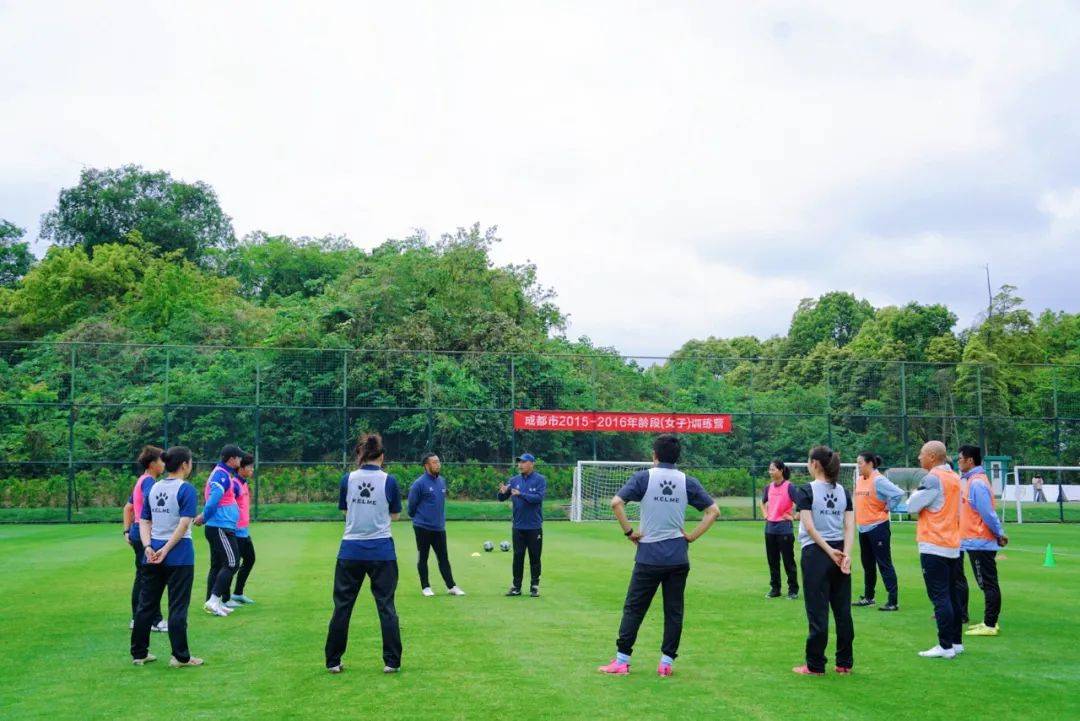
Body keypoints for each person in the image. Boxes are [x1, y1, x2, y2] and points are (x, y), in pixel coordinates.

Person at [598, 434, 720, 677]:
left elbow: (616, 503)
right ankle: (666, 663)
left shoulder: (644, 478)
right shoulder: (687, 481)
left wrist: (630, 532)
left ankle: (622, 660)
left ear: (654, 455)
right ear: (677, 457)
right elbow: (713, 511)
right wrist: (692, 536)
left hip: (649, 555)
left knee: (634, 608)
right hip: (677, 555)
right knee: (673, 610)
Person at [325, 433, 403, 674]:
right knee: (386, 606)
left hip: (351, 549)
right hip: (381, 551)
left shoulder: (347, 479)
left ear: (360, 455)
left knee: (342, 606)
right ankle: (391, 662)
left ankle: (333, 661)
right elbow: (396, 515)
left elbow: (344, 511)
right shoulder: (389, 481)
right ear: (382, 456)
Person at [130, 446, 204, 668]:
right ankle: (180, 657)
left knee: (146, 605)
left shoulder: (153, 488)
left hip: (152, 556)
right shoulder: (186, 489)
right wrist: (168, 548)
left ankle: (139, 653)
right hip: (179, 556)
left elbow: (144, 520)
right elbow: (184, 524)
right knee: (178, 606)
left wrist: (148, 546)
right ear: (184, 465)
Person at [791, 445, 855, 676]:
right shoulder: (844, 492)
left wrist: (829, 551)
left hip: (817, 554)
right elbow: (849, 526)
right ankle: (844, 663)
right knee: (842, 610)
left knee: (818, 611)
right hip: (840, 552)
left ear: (814, 464)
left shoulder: (806, 490)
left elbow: (809, 526)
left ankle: (815, 665)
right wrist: (845, 554)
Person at [907, 440, 964, 659]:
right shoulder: (955, 477)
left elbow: (912, 506)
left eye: (921, 454)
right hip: (952, 544)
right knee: (952, 595)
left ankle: (945, 646)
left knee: (940, 597)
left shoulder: (933, 478)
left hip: (934, 544)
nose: (919, 458)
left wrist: (913, 494)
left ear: (932, 456)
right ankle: (956, 642)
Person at [956, 445, 1007, 637]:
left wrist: (999, 533)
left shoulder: (976, 483)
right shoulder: (972, 481)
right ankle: (988, 621)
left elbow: (987, 513)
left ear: (970, 460)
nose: (958, 461)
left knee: (988, 583)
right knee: (985, 582)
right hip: (974, 541)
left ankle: (990, 624)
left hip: (981, 541)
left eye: (960, 458)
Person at [194, 444, 244, 617]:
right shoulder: (221, 476)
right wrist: (204, 517)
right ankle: (214, 600)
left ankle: (215, 602)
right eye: (238, 457)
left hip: (220, 526)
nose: (240, 460)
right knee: (232, 563)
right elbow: (213, 500)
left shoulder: (222, 474)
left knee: (218, 566)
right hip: (220, 527)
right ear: (231, 459)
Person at [852, 452, 906, 612]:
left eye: (860, 463)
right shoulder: (860, 480)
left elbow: (898, 493)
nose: (858, 466)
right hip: (863, 528)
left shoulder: (879, 480)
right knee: (867, 565)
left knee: (884, 564)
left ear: (870, 463)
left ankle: (893, 601)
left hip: (878, 528)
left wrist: (889, 507)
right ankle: (869, 597)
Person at [123, 445, 167, 633]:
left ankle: (137, 618)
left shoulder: (141, 480)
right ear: (152, 464)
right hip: (144, 535)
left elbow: (128, 507)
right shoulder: (149, 482)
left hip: (136, 532)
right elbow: (152, 508)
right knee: (151, 578)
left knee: (142, 577)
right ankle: (154, 620)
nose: (164, 464)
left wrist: (127, 531)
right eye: (161, 460)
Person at [408, 453, 465, 597]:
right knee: (423, 557)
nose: (438, 464)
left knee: (443, 558)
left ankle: (451, 586)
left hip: (439, 527)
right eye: (434, 462)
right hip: (422, 527)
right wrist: (422, 519)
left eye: (438, 462)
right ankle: (425, 587)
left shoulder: (442, 481)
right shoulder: (419, 484)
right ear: (426, 465)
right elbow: (411, 508)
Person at [497, 453, 546, 597]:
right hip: (518, 526)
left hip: (534, 526)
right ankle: (516, 587)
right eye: (519, 462)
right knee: (518, 557)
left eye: (523, 462)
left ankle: (534, 586)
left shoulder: (540, 480)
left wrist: (521, 494)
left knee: (534, 557)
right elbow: (502, 498)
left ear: (531, 464)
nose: (520, 465)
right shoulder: (514, 480)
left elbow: (538, 498)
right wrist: (502, 492)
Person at [760, 460, 799, 600]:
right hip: (770, 529)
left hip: (784, 529)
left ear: (781, 470)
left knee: (788, 561)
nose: (770, 472)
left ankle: (793, 589)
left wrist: (793, 516)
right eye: (769, 470)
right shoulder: (768, 487)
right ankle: (775, 589)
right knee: (773, 561)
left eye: (773, 469)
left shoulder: (789, 486)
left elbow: (800, 502)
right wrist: (765, 514)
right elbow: (762, 502)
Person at [229, 453, 257, 606]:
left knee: (250, 559)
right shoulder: (233, 484)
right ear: (241, 468)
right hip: (235, 531)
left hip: (244, 531)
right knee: (231, 565)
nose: (252, 469)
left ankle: (238, 593)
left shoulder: (244, 483)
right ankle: (223, 597)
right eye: (250, 467)